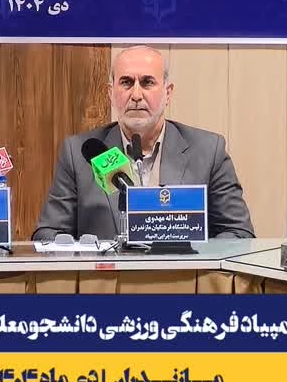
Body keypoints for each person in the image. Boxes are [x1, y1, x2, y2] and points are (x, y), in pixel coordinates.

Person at [33, 46, 255, 241]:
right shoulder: (79, 153)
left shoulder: (207, 151)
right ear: (111, 93)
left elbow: (239, 233)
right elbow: (48, 233)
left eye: (147, 82)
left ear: (167, 93)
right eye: (126, 83)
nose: (136, 95)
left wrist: (190, 251)